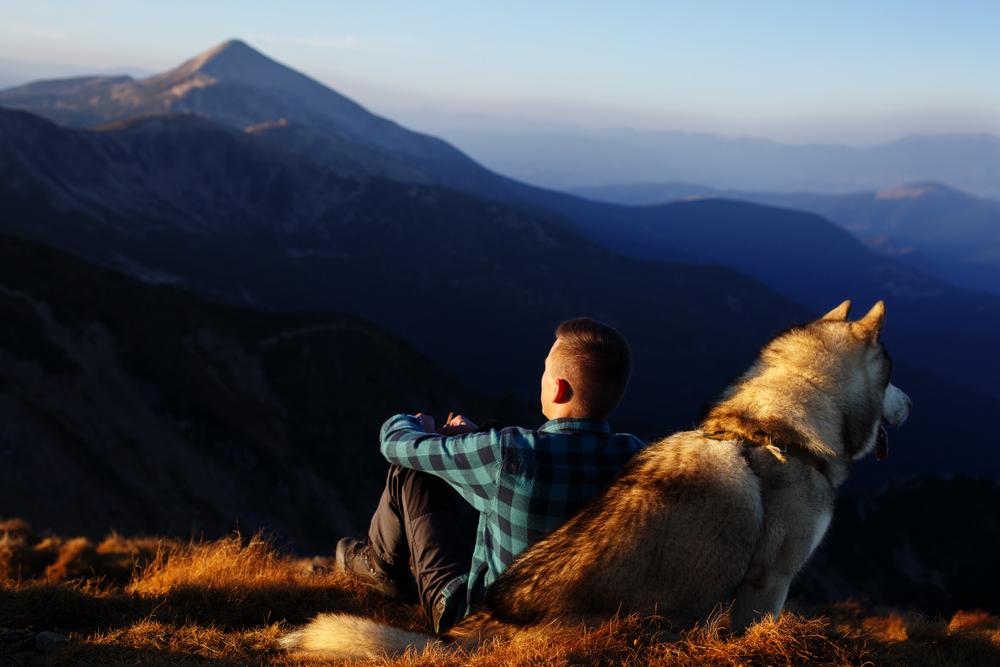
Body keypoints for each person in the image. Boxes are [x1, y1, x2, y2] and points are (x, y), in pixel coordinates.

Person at [335, 317, 645, 631]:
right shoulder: (638, 458)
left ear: (558, 388)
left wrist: (414, 425)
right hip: (584, 617)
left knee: (411, 470)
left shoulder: (507, 452)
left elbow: (396, 445)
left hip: (481, 624)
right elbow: (551, 458)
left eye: (545, 370)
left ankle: (380, 568)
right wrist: (480, 437)